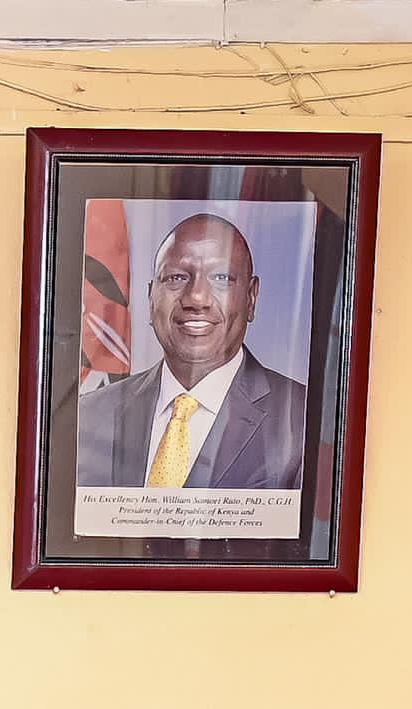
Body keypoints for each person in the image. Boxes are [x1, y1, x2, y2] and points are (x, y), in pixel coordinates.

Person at [74, 211, 314, 503]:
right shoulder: (88, 416)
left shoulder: (304, 421)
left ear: (251, 298)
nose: (196, 298)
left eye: (221, 278)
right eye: (176, 278)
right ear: (151, 298)